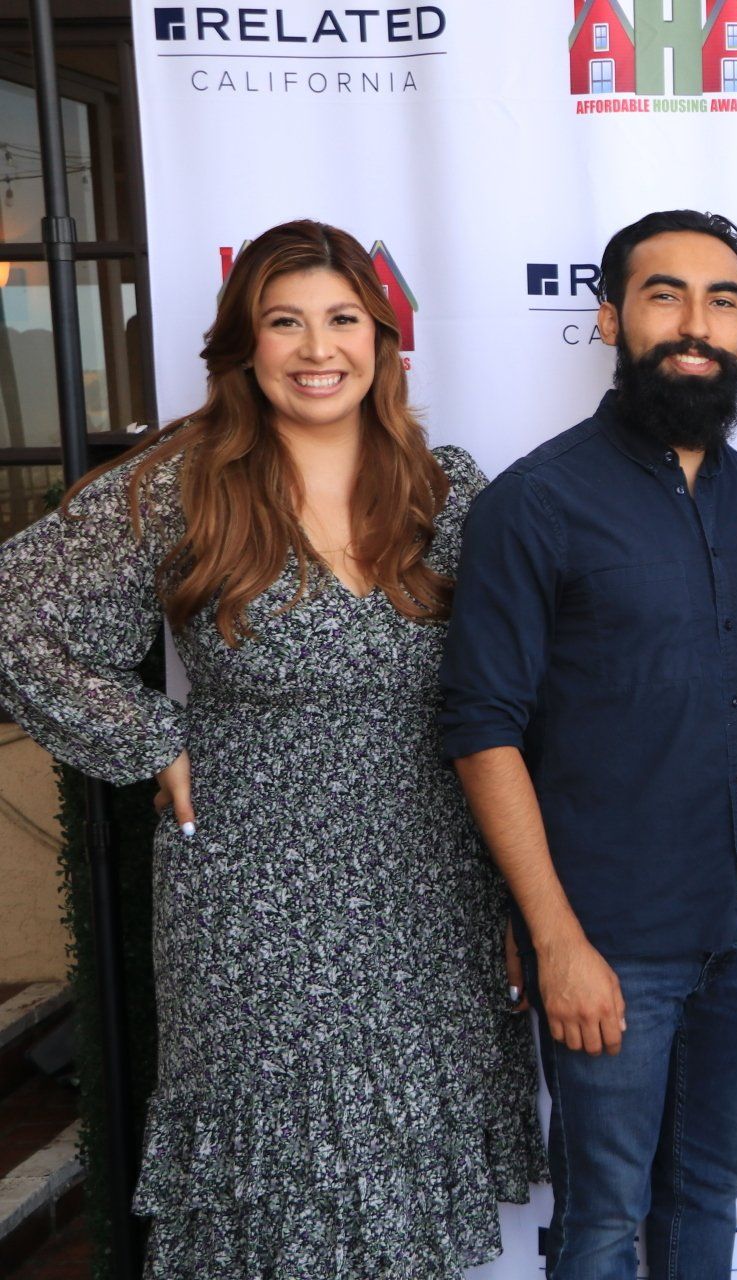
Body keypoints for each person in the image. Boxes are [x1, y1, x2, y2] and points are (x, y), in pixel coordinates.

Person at [0, 220, 543, 1278]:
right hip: (254, 893)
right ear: (246, 346)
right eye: (284, 322)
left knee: (400, 1179)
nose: (317, 348)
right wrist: (149, 738)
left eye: (342, 320)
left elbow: (516, 683)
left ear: (383, 338)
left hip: (432, 883)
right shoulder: (185, 484)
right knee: (282, 1183)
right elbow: (15, 615)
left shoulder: (444, 490)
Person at [440, 210, 737, 1280]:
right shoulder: (533, 503)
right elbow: (481, 728)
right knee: (602, 1219)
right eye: (664, 295)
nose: (696, 324)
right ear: (610, 317)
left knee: (707, 1196)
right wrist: (554, 938)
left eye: (723, 300)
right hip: (609, 944)